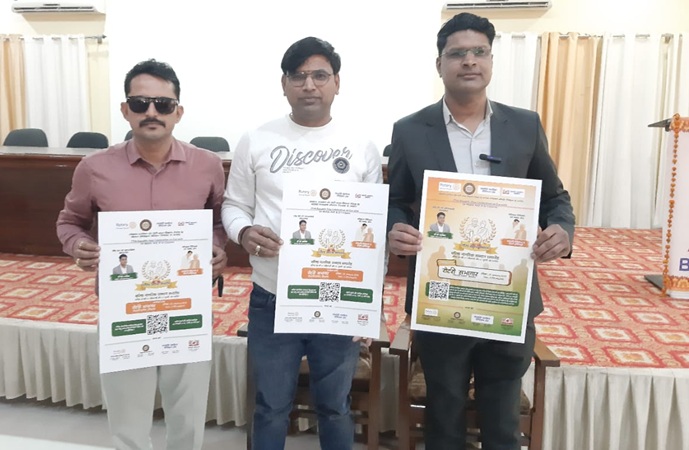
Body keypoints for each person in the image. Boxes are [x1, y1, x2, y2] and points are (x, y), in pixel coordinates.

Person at [386, 13, 575, 450]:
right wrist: (396, 225)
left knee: (503, 419)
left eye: (479, 52)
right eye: (457, 53)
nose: (469, 61)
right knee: (444, 414)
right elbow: (396, 199)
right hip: (441, 295)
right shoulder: (410, 130)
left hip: (507, 295)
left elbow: (555, 198)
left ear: (491, 60)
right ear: (440, 64)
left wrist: (562, 231)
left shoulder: (524, 125)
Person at [56, 59, 228, 450]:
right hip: (124, 309)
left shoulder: (207, 165)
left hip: (186, 307)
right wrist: (77, 245)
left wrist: (218, 247)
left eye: (163, 104)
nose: (152, 112)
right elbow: (70, 222)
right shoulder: (94, 168)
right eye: (140, 103)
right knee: (127, 422)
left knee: (187, 417)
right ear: (125, 109)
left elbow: (220, 221)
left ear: (178, 112)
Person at [222, 37, 382, 450]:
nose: (309, 85)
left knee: (336, 406)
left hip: (338, 298)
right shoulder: (256, 139)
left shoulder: (361, 146)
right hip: (272, 296)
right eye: (298, 76)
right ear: (284, 84)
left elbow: (373, 230)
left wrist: (368, 306)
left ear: (337, 82)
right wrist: (244, 232)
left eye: (320, 76)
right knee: (270, 406)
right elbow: (234, 205)